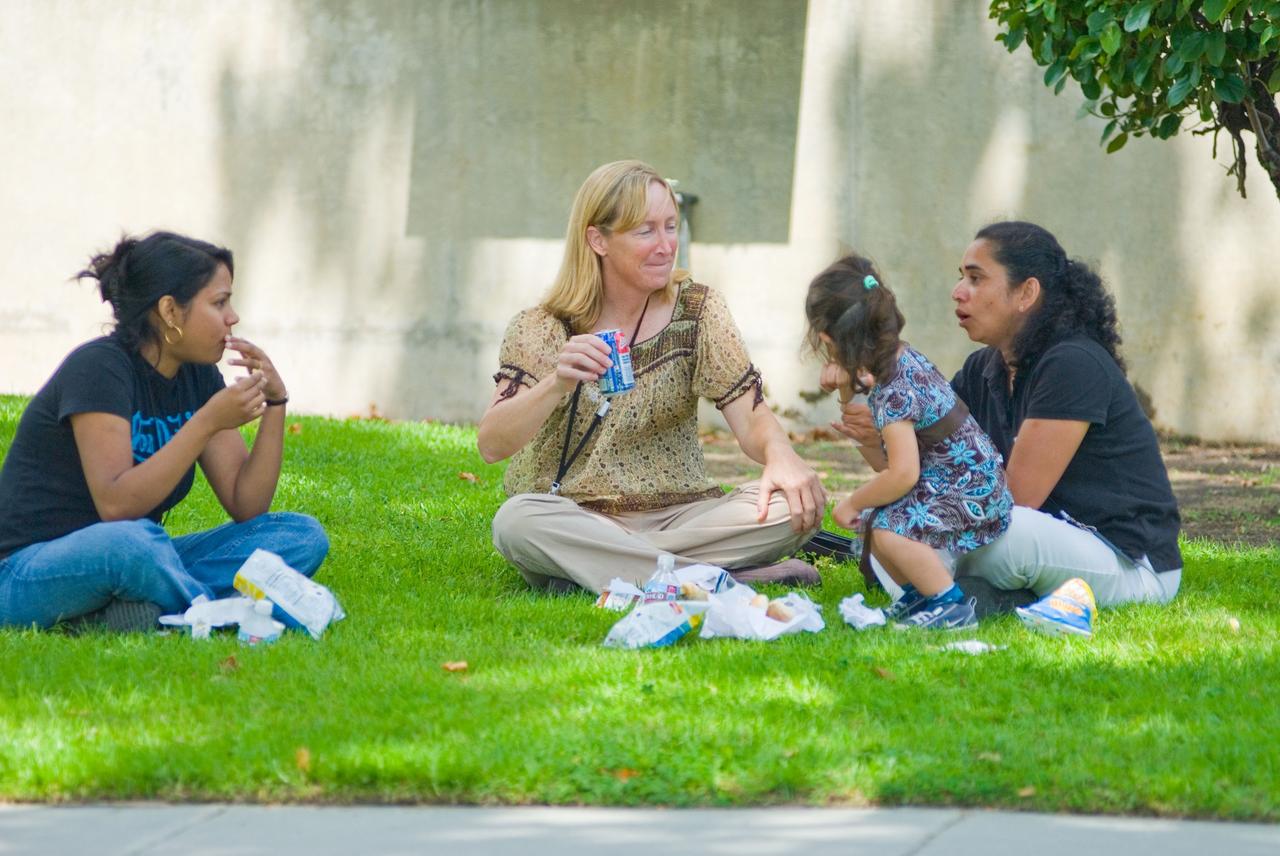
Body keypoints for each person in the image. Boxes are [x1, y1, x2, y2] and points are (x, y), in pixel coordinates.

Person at [480, 160, 825, 594]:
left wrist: (782, 456)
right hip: (580, 517)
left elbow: (751, 416)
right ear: (597, 239)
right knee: (516, 522)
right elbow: (492, 444)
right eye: (645, 231)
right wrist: (557, 383)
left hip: (685, 516)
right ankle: (709, 576)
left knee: (791, 506)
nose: (666, 246)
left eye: (670, 227)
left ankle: (603, 571)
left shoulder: (697, 311)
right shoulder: (543, 327)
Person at [832, 221, 1181, 611]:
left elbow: (1018, 499)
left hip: (1129, 563)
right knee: (892, 535)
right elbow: (920, 471)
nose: (958, 292)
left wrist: (918, 530)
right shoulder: (983, 368)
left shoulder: (1073, 364)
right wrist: (871, 438)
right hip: (1036, 539)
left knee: (998, 533)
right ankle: (971, 597)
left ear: (1026, 293)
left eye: (976, 278)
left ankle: (959, 597)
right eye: (961, 277)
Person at [0, 232, 329, 631]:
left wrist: (276, 403)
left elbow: (247, 504)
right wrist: (206, 422)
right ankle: (207, 612)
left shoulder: (197, 376)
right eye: (219, 302)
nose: (233, 317)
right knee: (134, 544)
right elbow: (117, 507)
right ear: (170, 311)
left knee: (299, 535)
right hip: (27, 570)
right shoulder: (100, 369)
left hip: (141, 556)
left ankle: (134, 610)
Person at [806, 255, 1012, 629]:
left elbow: (900, 473)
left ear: (828, 338)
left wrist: (853, 500)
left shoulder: (894, 390)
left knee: (889, 527)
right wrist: (844, 387)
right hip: (968, 478)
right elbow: (888, 462)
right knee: (882, 522)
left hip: (970, 489)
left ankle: (952, 607)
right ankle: (921, 600)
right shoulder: (901, 361)